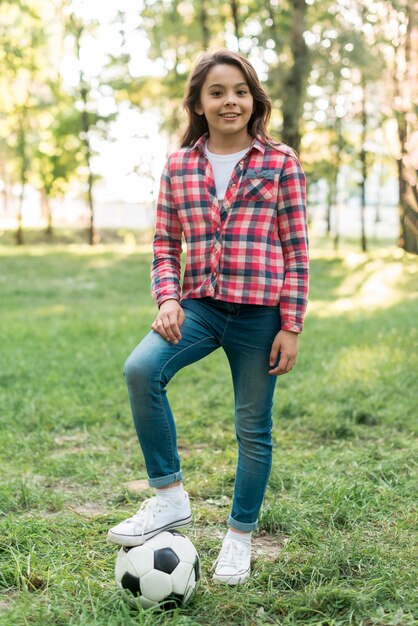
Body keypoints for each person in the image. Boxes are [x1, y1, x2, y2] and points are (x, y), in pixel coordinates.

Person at [107, 49, 309, 586]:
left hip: (260, 316)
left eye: (240, 91)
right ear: (198, 102)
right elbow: (163, 244)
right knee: (141, 369)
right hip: (196, 306)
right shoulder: (178, 165)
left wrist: (291, 325)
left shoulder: (280, 162)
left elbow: (297, 249)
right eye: (217, 92)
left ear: (254, 99)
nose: (230, 101)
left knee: (253, 428)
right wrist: (167, 298)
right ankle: (169, 497)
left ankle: (239, 538)